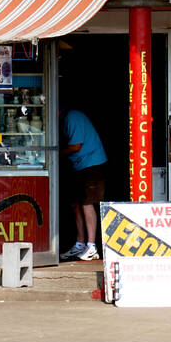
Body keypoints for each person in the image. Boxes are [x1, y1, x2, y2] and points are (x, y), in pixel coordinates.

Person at [59, 107, 108, 262]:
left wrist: (55, 152)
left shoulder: (72, 117)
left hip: (92, 165)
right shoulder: (64, 120)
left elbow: (76, 146)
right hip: (79, 166)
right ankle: (80, 244)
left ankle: (92, 246)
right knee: (76, 204)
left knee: (87, 204)